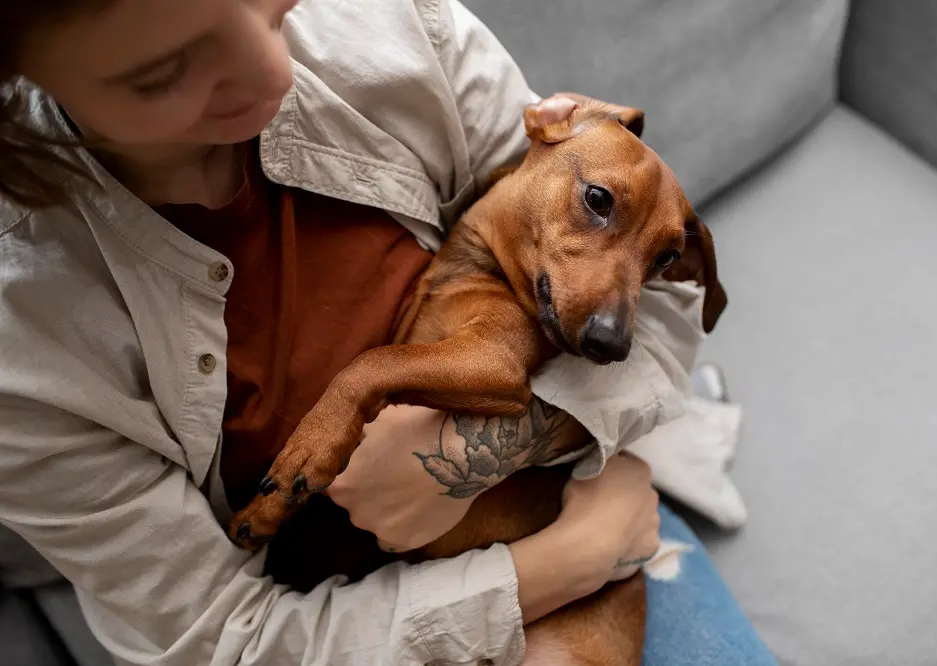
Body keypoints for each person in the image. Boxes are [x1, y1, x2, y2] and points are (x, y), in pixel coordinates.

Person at [0, 1, 777, 664]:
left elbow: (665, 306)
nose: (280, 74)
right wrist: (566, 560)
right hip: (362, 621)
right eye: (164, 69)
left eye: (268, 2)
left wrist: (477, 462)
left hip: (582, 500)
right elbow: (224, 642)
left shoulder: (388, 22)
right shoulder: (26, 345)